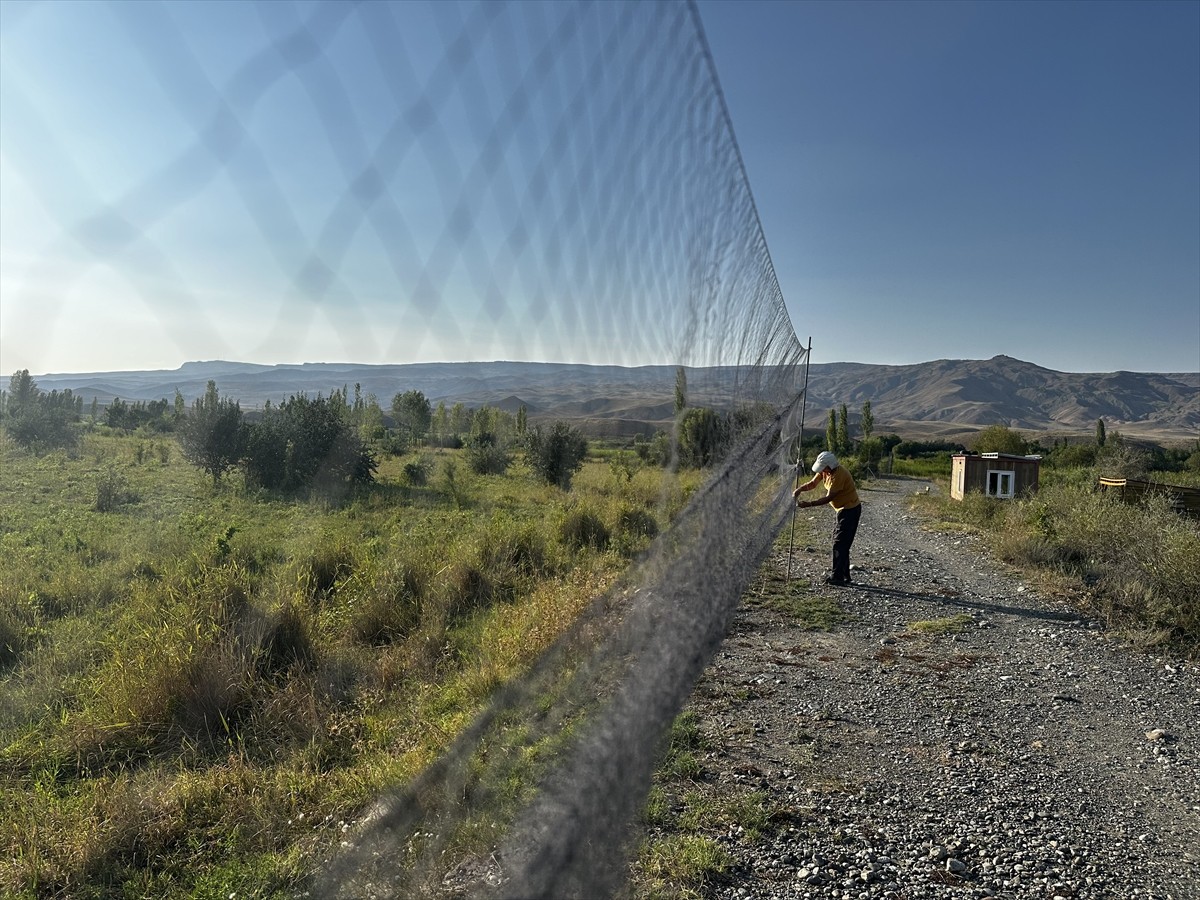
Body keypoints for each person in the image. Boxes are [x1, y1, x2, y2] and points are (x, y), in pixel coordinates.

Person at [793, 450, 862, 586]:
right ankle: (844, 576)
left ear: (830, 466)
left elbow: (828, 498)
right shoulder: (825, 471)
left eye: (823, 468)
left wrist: (809, 504)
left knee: (840, 544)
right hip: (842, 511)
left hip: (850, 510)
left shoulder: (839, 475)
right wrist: (799, 489)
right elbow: (812, 484)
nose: (821, 471)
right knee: (842, 543)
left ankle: (837, 577)